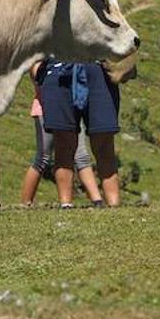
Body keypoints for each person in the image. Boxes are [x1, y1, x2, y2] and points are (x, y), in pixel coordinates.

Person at [39, 58, 125, 207]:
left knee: (104, 143)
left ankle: (114, 206)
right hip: (60, 69)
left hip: (99, 69)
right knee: (64, 142)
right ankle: (66, 204)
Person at [21, 60, 104, 206]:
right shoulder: (42, 53)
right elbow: (36, 74)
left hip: (70, 109)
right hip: (44, 109)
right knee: (43, 157)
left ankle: (97, 200)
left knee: (81, 156)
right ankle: (25, 202)